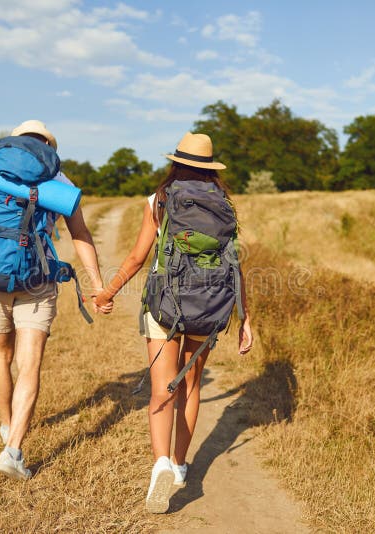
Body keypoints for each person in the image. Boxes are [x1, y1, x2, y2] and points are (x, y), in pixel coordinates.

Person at [94, 132, 253, 513]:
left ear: (176, 163)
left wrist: (107, 292)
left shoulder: (160, 200)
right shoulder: (224, 206)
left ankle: (160, 462)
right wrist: (246, 318)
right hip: (210, 304)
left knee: (163, 388)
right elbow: (235, 266)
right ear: (211, 168)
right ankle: (181, 466)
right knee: (191, 386)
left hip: (164, 304)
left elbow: (136, 258)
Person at [0, 119, 112, 480]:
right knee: (30, 363)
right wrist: (98, 284)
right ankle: (12, 452)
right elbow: (81, 233)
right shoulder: (59, 181)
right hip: (37, 280)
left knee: (0, 353)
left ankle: (8, 425)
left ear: (14, 143)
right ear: (48, 148)